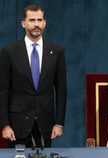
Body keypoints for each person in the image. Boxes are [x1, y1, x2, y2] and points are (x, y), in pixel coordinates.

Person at [0, 4, 67, 148]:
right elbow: (2, 91)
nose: (36, 24)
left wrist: (59, 122)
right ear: (23, 23)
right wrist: (4, 125)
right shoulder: (9, 52)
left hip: (46, 124)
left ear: (44, 23)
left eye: (39, 20)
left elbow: (61, 90)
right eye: (32, 20)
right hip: (16, 125)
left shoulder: (56, 52)